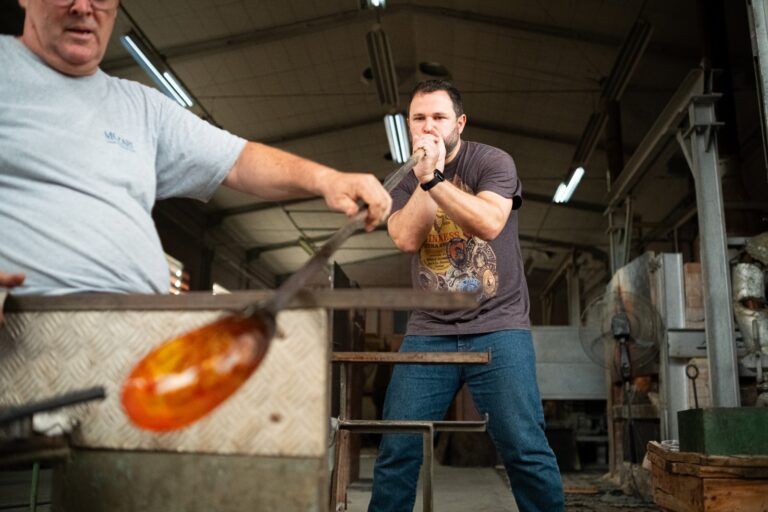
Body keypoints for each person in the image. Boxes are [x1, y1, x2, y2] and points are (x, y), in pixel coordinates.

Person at [0, 0, 391, 302]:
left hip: (135, 335)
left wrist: (326, 179)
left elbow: (239, 161)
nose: (83, 7)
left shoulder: (141, 107)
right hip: (28, 329)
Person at [368, 80, 564, 511]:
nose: (429, 127)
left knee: (524, 448)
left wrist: (435, 179)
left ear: (459, 123)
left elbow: (489, 223)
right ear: (408, 125)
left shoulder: (492, 161)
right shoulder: (403, 178)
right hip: (429, 331)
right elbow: (405, 238)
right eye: (419, 118)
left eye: (439, 117)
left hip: (498, 325)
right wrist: (425, 178)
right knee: (398, 448)